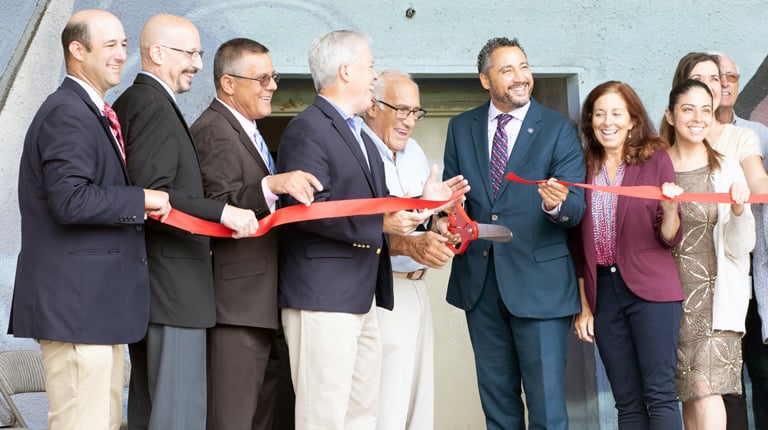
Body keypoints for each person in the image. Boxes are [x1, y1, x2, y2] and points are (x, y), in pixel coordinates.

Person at [277, 30, 465, 430]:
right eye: (370, 66)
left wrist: (423, 203)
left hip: (361, 297)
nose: (374, 76)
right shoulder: (308, 127)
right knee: (323, 417)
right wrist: (381, 222)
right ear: (346, 71)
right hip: (323, 297)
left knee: (362, 417)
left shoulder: (357, 133)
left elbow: (380, 208)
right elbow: (307, 210)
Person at [9, 9, 171, 430]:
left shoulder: (87, 109)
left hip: (93, 311)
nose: (121, 54)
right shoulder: (68, 112)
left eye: (122, 43)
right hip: (77, 310)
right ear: (77, 51)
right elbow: (71, 200)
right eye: (110, 45)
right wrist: (142, 198)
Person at [112, 14, 259, 430]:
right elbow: (153, 193)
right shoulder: (151, 104)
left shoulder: (137, 102)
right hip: (173, 292)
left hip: (160, 291)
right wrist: (224, 211)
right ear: (157, 54)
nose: (197, 63)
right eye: (190, 53)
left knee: (153, 415)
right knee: (177, 419)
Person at [442, 37, 586, 430]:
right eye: (508, 70)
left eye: (524, 66)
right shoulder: (461, 127)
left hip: (540, 287)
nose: (521, 77)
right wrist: (446, 221)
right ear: (485, 80)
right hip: (480, 286)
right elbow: (452, 198)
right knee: (498, 408)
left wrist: (555, 203)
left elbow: (575, 208)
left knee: (547, 410)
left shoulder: (558, 129)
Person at [190, 37, 322, 430]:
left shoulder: (245, 128)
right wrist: (273, 185)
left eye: (273, 76)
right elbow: (219, 203)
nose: (273, 86)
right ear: (228, 83)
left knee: (260, 418)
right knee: (234, 419)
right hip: (235, 307)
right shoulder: (213, 129)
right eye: (261, 78)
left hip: (259, 304)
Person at [572, 81, 684, 429]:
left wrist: (670, 210)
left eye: (617, 113)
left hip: (652, 293)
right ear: (590, 120)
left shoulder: (656, 161)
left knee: (660, 394)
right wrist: (585, 306)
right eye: (599, 114)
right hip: (604, 294)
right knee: (628, 402)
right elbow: (577, 246)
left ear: (633, 120)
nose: (608, 121)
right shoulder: (581, 166)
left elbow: (669, 238)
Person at [665, 52, 767, 429]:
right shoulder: (658, 158)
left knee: (708, 389)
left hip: (718, 292)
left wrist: (742, 207)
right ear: (674, 107)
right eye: (701, 79)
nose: (713, 86)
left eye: (717, 79)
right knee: (690, 395)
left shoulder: (730, 156)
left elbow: (743, 240)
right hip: (672, 293)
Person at [362, 70, 454, 430]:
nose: (409, 120)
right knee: (387, 402)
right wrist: (411, 243)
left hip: (417, 286)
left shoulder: (414, 151)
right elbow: (353, 225)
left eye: (416, 112)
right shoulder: (357, 148)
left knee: (418, 403)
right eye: (401, 109)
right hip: (380, 287)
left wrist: (439, 224)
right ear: (372, 106)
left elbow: (421, 217)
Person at [717, 53, 768, 430]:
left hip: (758, 270)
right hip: (718, 277)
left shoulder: (757, 134)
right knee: (725, 386)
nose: (726, 84)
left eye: (732, 77)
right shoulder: (682, 138)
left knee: (763, 375)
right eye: (717, 77)